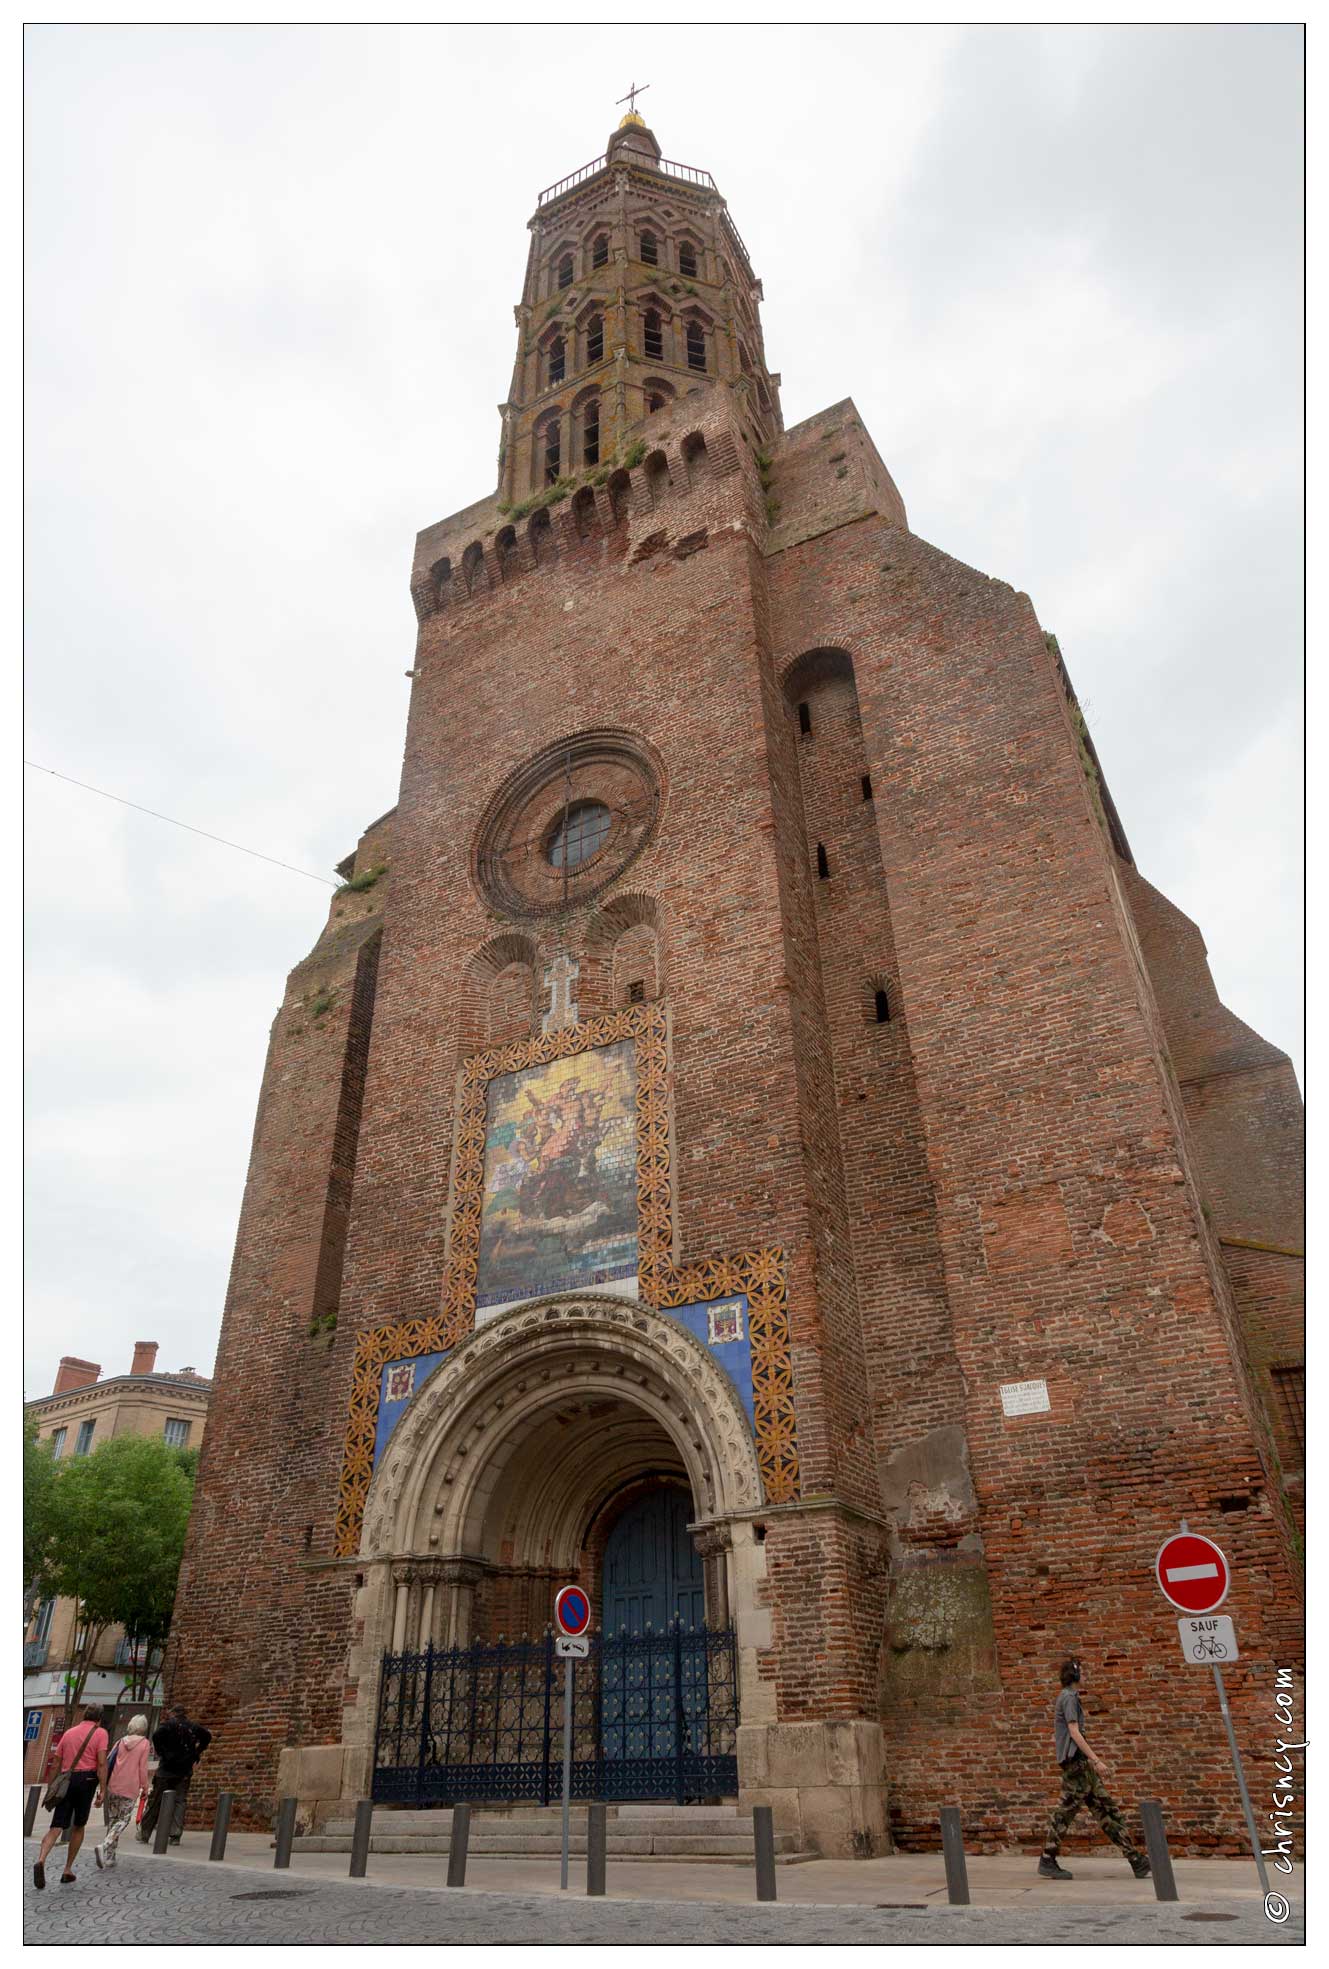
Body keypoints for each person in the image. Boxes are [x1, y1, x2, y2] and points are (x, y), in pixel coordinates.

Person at [1038, 1657, 1150, 1880]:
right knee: (1066, 1812)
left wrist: (1090, 1762)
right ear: (1076, 1675)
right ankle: (1047, 1859)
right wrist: (1096, 1760)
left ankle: (1136, 1860)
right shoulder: (1068, 1698)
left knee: (1106, 1809)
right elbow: (1074, 1732)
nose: (1086, 1676)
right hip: (1075, 1765)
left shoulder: (1071, 1697)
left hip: (1081, 1765)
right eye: (1083, 1672)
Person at [33, 1704, 108, 1889]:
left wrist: (52, 1786)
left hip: (67, 1779)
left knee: (57, 1825)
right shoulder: (100, 1733)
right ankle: (67, 1870)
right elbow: (101, 1763)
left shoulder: (69, 1733)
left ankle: (41, 1859)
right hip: (87, 1779)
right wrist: (103, 1789)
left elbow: (56, 1761)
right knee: (78, 1826)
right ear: (99, 1718)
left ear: (84, 1715)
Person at [139, 1705, 211, 1846]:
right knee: (179, 1801)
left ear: (174, 1714)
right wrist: (196, 1753)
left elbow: (156, 1735)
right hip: (184, 1770)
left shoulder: (168, 1725)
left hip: (166, 1769)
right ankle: (175, 1834)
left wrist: (163, 1753)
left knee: (156, 1800)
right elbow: (207, 1736)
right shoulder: (192, 1727)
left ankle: (145, 1832)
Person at [93, 1714, 151, 1870]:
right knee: (123, 1820)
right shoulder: (145, 1744)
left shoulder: (120, 1741)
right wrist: (145, 1787)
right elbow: (142, 1768)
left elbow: (109, 1761)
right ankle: (104, 1846)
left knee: (113, 1820)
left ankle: (110, 1857)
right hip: (130, 1787)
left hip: (114, 1785)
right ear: (143, 1728)